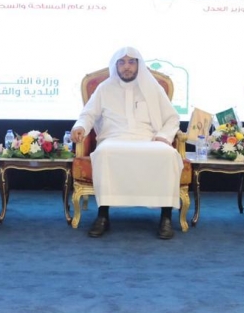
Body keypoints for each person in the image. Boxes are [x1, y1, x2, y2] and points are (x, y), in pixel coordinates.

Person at [71, 47, 183, 239]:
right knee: (104, 152)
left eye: (131, 62)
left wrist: (163, 136)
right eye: (122, 63)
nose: (127, 67)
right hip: (113, 138)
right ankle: (103, 216)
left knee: (168, 154)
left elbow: (172, 118)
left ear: (139, 65)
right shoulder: (104, 88)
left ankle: (166, 217)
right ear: (116, 66)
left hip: (148, 139)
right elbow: (88, 114)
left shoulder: (153, 88)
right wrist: (80, 126)